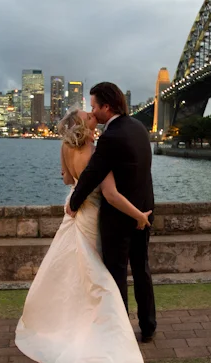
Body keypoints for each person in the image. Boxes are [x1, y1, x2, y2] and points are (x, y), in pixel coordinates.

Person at [14, 107, 149, 363]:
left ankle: (68, 322)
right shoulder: (96, 154)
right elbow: (110, 195)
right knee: (96, 273)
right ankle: (98, 328)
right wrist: (139, 215)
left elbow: (67, 179)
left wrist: (76, 182)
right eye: (89, 116)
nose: (94, 116)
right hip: (94, 214)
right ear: (84, 126)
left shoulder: (65, 149)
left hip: (75, 211)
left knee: (74, 270)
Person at [67, 82, 157, 343]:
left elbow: (92, 173)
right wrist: (143, 213)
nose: (93, 111)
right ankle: (148, 326)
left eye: (94, 106)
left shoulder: (111, 136)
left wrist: (74, 202)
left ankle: (120, 330)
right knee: (141, 268)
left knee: (116, 273)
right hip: (144, 210)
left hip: (118, 217)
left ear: (107, 106)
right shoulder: (139, 128)